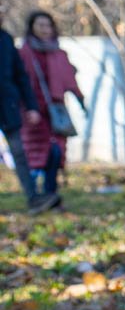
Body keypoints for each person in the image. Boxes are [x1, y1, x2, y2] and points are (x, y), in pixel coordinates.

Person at [19, 11, 85, 204]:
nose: (45, 30)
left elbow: (69, 80)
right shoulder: (24, 53)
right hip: (31, 112)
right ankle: (34, 194)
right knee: (34, 153)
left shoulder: (59, 53)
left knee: (56, 152)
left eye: (48, 25)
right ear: (32, 27)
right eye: (40, 25)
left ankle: (50, 191)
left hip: (56, 112)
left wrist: (80, 99)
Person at [1, 24, 57, 214]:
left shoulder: (6, 39)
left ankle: (33, 198)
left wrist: (32, 106)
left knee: (19, 154)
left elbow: (20, 76)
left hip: (7, 106)